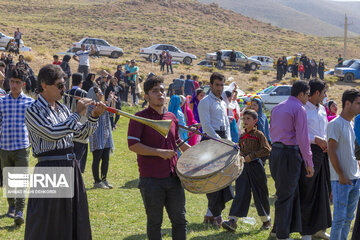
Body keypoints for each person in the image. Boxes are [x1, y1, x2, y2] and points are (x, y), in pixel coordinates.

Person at [24, 64, 107, 240]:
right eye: (60, 86)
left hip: (71, 166)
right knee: (48, 222)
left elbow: (80, 134)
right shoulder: (33, 109)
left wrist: (94, 117)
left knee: (73, 218)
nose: (64, 90)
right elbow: (52, 133)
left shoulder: (62, 109)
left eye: (64, 85)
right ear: (44, 85)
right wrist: (77, 113)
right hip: (50, 167)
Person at [127, 75, 190, 240]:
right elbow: (133, 145)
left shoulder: (171, 117)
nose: (160, 94)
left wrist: (194, 153)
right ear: (146, 96)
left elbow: (176, 140)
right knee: (155, 223)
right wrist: (160, 152)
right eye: (155, 91)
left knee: (180, 220)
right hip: (151, 179)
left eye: (162, 90)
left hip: (174, 177)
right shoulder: (139, 117)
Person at [269, 80, 314, 240]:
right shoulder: (299, 109)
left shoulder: (278, 107)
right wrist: (309, 163)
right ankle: (282, 235)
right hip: (289, 154)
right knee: (286, 196)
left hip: (275, 152)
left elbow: (272, 131)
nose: (308, 98)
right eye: (308, 94)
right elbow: (303, 139)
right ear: (301, 94)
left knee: (285, 194)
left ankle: (281, 231)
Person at [222, 109, 271, 232]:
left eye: (248, 119)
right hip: (243, 167)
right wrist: (239, 152)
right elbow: (241, 151)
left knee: (260, 193)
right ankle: (232, 221)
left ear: (255, 121)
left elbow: (267, 149)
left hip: (256, 167)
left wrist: (252, 156)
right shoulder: (242, 136)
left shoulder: (259, 135)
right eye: (244, 119)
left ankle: (266, 221)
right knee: (241, 192)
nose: (245, 121)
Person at [198, 72, 232, 228]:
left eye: (222, 85)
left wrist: (230, 142)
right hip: (211, 141)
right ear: (210, 85)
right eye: (217, 85)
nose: (219, 88)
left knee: (223, 178)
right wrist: (220, 141)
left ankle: (210, 214)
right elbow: (206, 127)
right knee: (212, 180)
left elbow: (226, 125)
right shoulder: (205, 102)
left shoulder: (223, 103)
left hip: (223, 141)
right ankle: (217, 216)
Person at [0, 68, 34, 225]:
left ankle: (20, 211)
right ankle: (11, 206)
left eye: (17, 82)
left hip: (22, 146)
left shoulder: (30, 102)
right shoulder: (1, 101)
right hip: (4, 146)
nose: (14, 85)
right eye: (12, 81)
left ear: (23, 84)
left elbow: (34, 125)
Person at [327, 89, 360, 240]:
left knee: (348, 219)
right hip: (341, 180)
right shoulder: (335, 124)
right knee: (339, 220)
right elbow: (331, 151)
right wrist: (341, 175)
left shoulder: (351, 124)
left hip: (355, 178)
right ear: (348, 103)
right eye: (358, 103)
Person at [300, 80, 331, 240]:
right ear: (317, 93)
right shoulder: (303, 109)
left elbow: (324, 131)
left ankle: (319, 228)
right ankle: (306, 232)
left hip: (323, 154)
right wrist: (315, 140)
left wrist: (325, 142)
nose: (326, 96)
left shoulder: (323, 110)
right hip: (309, 153)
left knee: (323, 192)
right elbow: (299, 134)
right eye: (324, 92)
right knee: (308, 192)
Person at [88, 86, 114, 189]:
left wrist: (111, 102)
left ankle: (104, 179)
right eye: (99, 93)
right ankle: (97, 181)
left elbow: (111, 113)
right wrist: (108, 101)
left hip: (106, 135)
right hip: (96, 135)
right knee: (97, 159)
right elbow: (99, 112)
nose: (101, 95)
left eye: (101, 93)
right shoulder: (91, 105)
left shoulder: (103, 104)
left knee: (106, 159)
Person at [63, 73, 89, 173]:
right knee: (79, 160)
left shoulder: (66, 93)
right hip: (81, 129)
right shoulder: (84, 94)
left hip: (68, 128)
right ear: (81, 82)